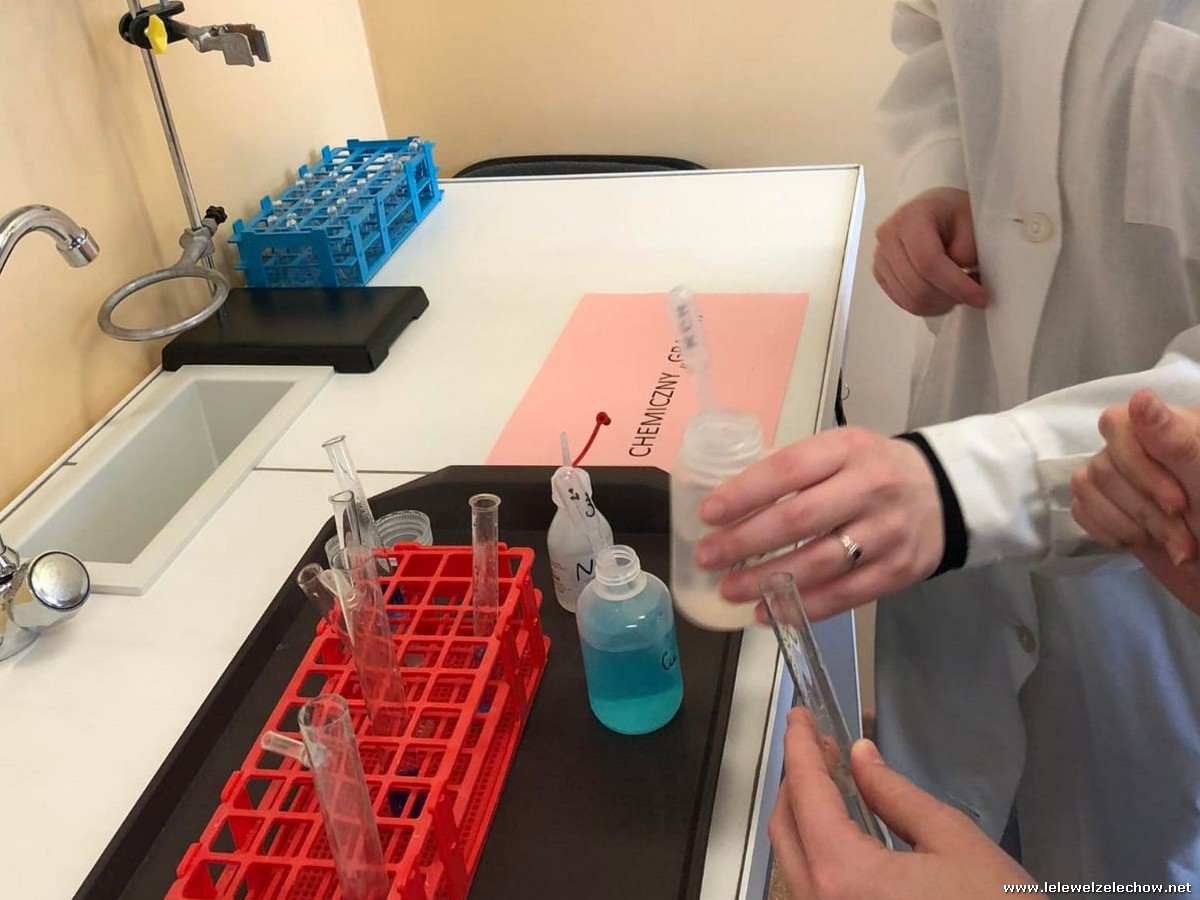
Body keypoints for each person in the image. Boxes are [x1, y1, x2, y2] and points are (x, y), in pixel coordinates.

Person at [696, 0, 1200, 886]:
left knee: (1121, 858)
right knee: (947, 798)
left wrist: (973, 488)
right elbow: (934, 37)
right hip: (959, 448)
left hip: (1156, 581)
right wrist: (947, 170)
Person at [767, 390, 1200, 900]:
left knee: (1115, 864)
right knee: (966, 815)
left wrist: (966, 486)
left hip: (1141, 665)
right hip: (971, 586)